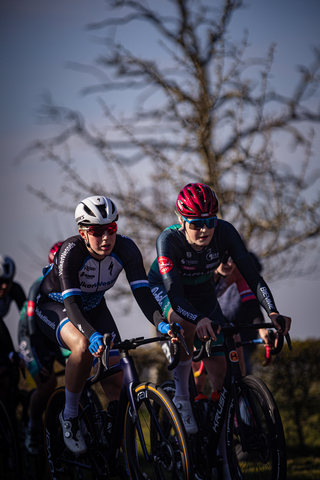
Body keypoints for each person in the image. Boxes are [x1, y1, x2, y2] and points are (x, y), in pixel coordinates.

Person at [148, 183, 291, 476]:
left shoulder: (225, 232)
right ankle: (183, 400)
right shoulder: (168, 241)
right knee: (185, 323)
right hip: (166, 292)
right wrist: (196, 319)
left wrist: (273, 311)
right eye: (196, 223)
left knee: (223, 373)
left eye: (209, 222)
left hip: (202, 294)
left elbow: (253, 277)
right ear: (181, 220)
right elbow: (175, 296)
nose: (204, 230)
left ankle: (219, 452)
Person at [34, 195, 175, 454]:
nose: (106, 238)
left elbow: (143, 295)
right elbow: (73, 305)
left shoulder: (127, 249)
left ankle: (114, 448)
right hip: (55, 307)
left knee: (117, 381)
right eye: (97, 231)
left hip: (95, 308)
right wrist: (92, 334)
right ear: (83, 233)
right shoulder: (70, 252)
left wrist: (162, 324)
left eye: (111, 229)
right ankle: (70, 415)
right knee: (82, 345)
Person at [19, 241, 70, 455]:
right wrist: (42, 362)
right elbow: (31, 329)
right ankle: (32, 427)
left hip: (54, 335)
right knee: (47, 383)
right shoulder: (38, 286)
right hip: (32, 337)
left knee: (81, 366)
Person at [0, 255, 26, 402]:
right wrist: (10, 352)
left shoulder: (14, 289)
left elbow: (27, 320)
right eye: (0, 281)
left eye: (8, 282)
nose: (4, 286)